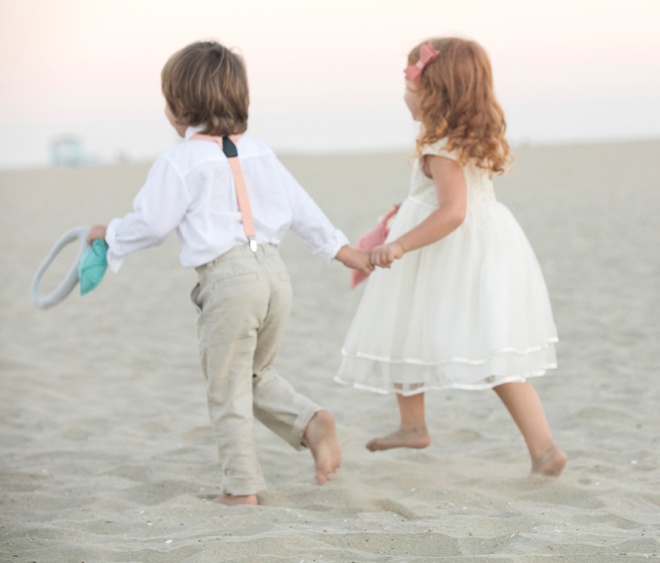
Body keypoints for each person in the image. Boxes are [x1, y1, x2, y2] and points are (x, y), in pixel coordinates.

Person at [86, 40, 372, 505]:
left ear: (179, 106)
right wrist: (344, 251)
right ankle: (310, 421)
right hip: (276, 275)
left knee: (227, 388)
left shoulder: (179, 161)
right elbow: (304, 211)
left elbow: (154, 224)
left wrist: (111, 235)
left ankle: (241, 490)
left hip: (228, 279)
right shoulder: (259, 152)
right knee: (255, 374)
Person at [336, 37, 566, 477]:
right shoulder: (466, 138)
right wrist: (399, 218)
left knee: (406, 328)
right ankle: (543, 449)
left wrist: (401, 243)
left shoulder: (441, 145)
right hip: (484, 249)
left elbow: (453, 211)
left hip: (446, 253)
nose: (403, 92)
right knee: (495, 354)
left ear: (431, 90)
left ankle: (414, 424)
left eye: (408, 82)